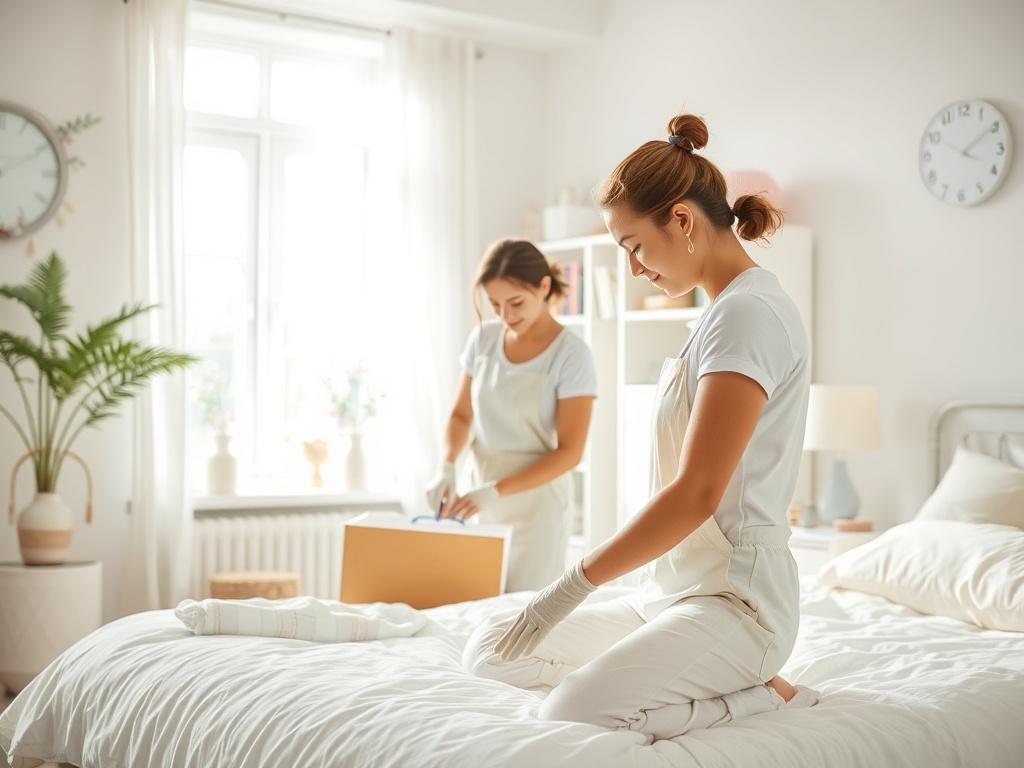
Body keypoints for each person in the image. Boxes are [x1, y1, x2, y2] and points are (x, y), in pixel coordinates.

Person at [462, 114, 819, 741]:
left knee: (572, 710)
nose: (632, 269)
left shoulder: (750, 316)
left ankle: (763, 696)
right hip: (673, 591)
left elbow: (697, 492)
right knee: (492, 651)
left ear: (680, 220)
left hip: (736, 604)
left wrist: (572, 584)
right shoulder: (717, 318)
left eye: (632, 247)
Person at [426, 239, 598, 592]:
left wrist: (496, 491)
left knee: (522, 615)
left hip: (536, 511)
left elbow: (570, 452)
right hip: (479, 503)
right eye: (495, 305)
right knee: (474, 608)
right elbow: (461, 415)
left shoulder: (571, 355)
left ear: (544, 286)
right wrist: (446, 465)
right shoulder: (484, 340)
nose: (505, 316)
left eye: (516, 303)